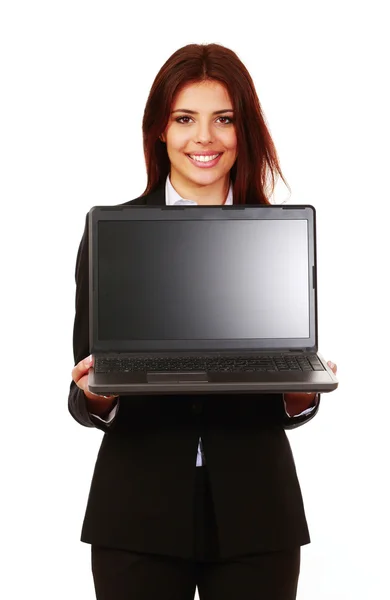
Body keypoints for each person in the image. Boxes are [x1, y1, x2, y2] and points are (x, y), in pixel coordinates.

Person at [69, 43, 338, 600]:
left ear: (245, 131)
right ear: (160, 131)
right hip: (136, 514)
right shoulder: (112, 234)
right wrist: (96, 395)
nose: (204, 138)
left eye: (224, 119)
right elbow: (88, 381)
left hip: (256, 514)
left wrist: (298, 393)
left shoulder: (276, 236)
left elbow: (287, 391)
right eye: (185, 119)